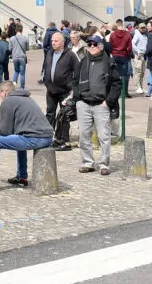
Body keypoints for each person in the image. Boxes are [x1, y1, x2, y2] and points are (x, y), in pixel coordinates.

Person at [0, 81, 54, 191]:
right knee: (19, 136)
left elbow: (5, 131)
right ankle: (22, 177)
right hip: (47, 137)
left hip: (36, 138)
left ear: (4, 92)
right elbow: (13, 130)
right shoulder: (26, 98)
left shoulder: (8, 101)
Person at [74, 35, 114, 175]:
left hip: (100, 104)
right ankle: (87, 162)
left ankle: (104, 164)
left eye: (95, 44)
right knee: (84, 134)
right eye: (90, 44)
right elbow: (75, 79)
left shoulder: (108, 62)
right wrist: (78, 97)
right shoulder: (83, 61)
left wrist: (108, 101)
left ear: (101, 46)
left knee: (104, 136)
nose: (92, 46)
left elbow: (116, 83)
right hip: (84, 102)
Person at [39, 30, 77, 148]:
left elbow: (78, 70)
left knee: (64, 115)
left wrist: (72, 86)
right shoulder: (50, 53)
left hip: (64, 91)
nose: (53, 43)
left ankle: (64, 139)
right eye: (52, 41)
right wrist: (45, 79)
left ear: (62, 42)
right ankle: (48, 137)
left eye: (55, 41)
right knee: (50, 113)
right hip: (51, 90)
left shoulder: (70, 54)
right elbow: (46, 66)